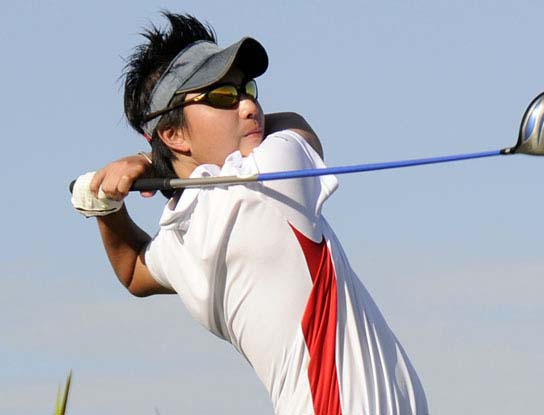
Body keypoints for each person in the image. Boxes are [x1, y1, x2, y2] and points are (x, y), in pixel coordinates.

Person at [71, 12, 428, 415]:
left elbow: (133, 270)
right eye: (223, 97)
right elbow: (297, 123)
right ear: (173, 134)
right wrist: (149, 162)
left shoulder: (179, 236)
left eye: (248, 89)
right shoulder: (268, 173)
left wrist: (105, 205)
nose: (249, 106)